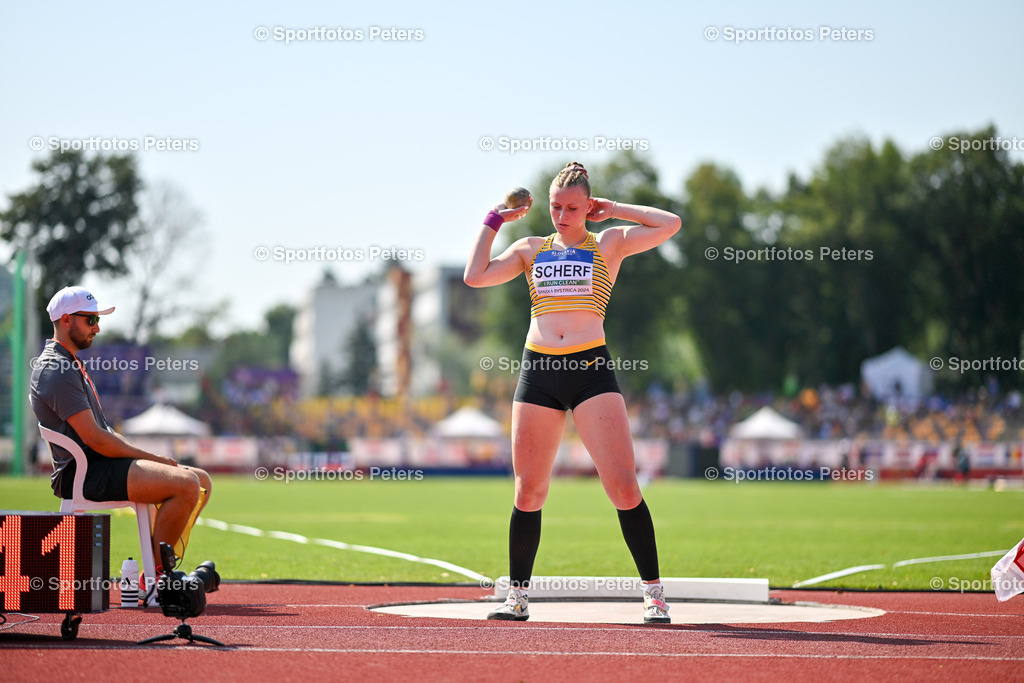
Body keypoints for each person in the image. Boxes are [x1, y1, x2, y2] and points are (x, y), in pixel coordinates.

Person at [464, 162, 681, 623]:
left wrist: (615, 209)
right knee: (529, 492)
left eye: (572, 208)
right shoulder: (530, 248)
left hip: (590, 370)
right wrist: (494, 219)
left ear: (588, 206)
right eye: (555, 207)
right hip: (538, 370)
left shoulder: (611, 243)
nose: (562, 216)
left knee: (623, 487)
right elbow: (475, 276)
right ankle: (517, 597)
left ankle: (654, 593)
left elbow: (670, 224)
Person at [30, 286, 212, 579]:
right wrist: (154, 458)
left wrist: (152, 460)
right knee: (187, 484)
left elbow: (103, 435)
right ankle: (157, 579)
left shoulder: (67, 362)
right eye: (90, 320)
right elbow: (95, 438)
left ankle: (157, 573)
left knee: (201, 481)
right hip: (85, 471)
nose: (97, 328)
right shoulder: (56, 367)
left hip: (98, 463)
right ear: (65, 320)